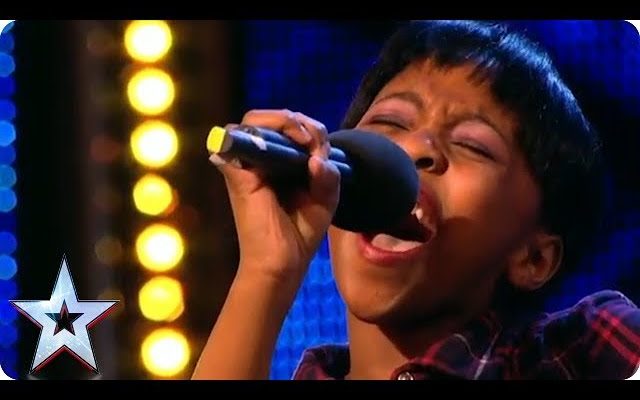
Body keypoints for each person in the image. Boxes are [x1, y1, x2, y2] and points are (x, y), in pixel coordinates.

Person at [191, 20, 640, 380]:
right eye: (389, 123)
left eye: (472, 145)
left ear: (534, 257)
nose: (416, 148)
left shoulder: (584, 350)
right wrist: (266, 270)